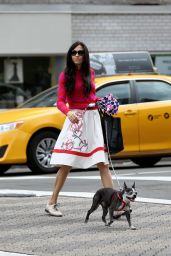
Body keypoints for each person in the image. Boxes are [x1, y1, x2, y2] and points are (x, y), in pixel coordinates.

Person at [45, 41, 114, 217]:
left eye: (80, 53)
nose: (77, 55)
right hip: (75, 120)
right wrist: (68, 113)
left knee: (103, 163)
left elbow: (90, 96)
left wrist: (102, 102)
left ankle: (114, 205)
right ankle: (51, 203)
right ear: (70, 55)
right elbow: (60, 101)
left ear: (85, 55)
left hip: (92, 118)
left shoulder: (90, 73)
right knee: (66, 164)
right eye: (74, 52)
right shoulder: (64, 75)